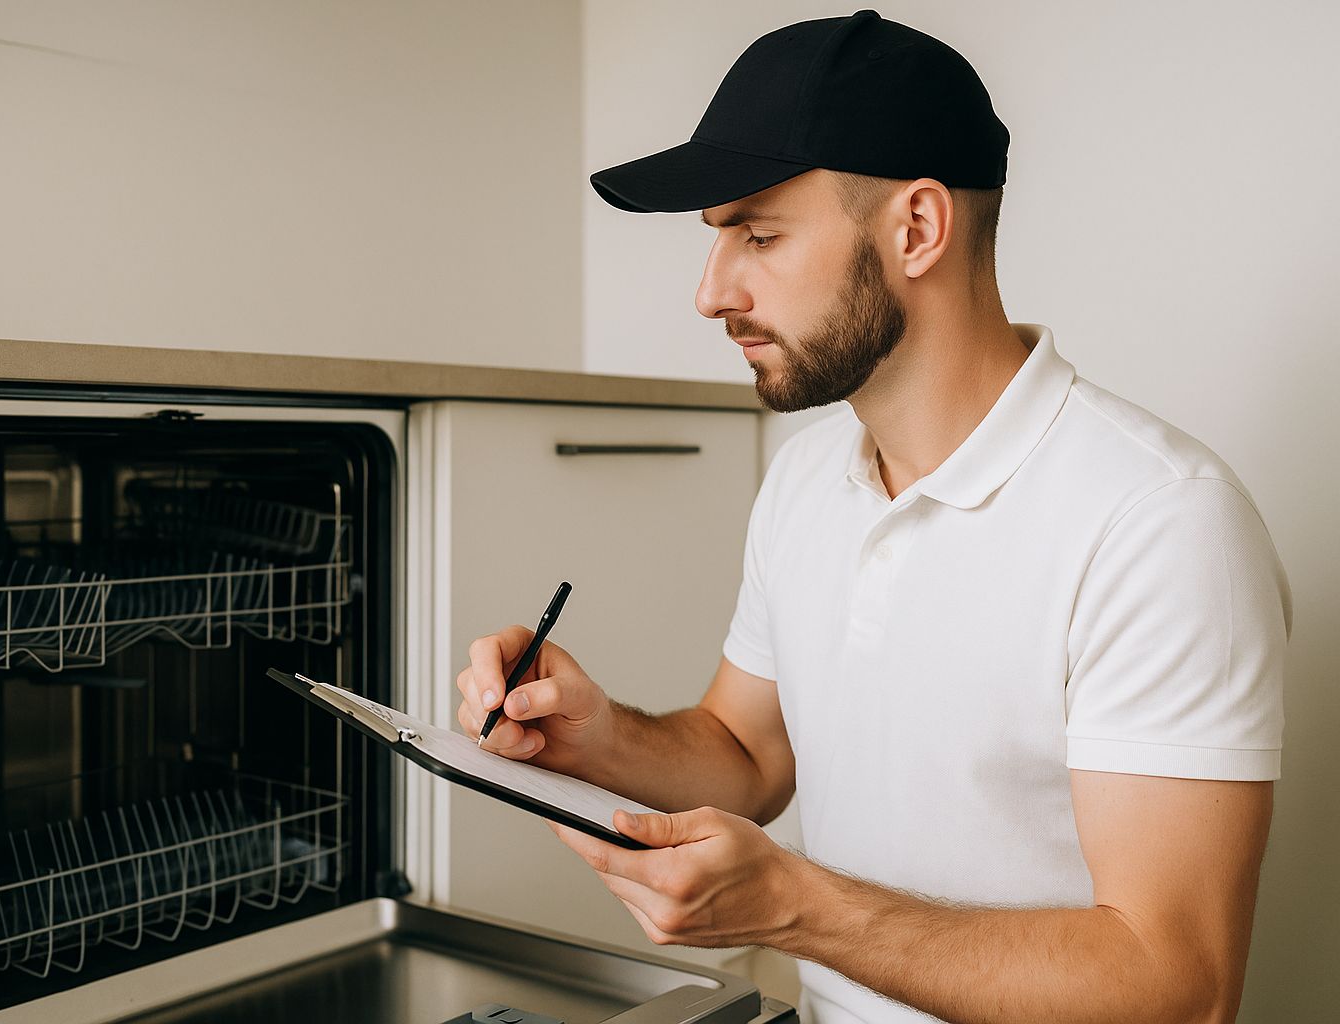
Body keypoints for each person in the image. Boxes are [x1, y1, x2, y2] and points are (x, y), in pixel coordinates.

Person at [455, 10, 1290, 1023]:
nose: (710, 292)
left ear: (918, 228)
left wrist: (797, 908)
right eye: (716, 241)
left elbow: (1179, 985)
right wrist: (596, 734)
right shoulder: (808, 479)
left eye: (757, 235)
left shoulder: (1158, 523)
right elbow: (749, 757)